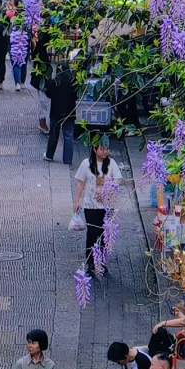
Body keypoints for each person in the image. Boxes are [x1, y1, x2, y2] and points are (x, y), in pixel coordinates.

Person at [73, 134, 116, 274]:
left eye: (107, 149)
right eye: (102, 149)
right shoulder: (86, 164)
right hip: (90, 206)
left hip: (107, 206)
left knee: (104, 235)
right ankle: (90, 263)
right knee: (92, 234)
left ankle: (102, 262)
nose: (105, 152)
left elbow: (119, 180)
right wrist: (77, 201)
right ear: (94, 149)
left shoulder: (111, 164)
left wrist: (109, 187)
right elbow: (80, 183)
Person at [43, 64, 79, 164]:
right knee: (68, 135)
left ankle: (49, 155)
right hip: (69, 112)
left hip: (56, 111)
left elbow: (48, 94)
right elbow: (77, 96)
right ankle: (67, 159)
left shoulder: (55, 81)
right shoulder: (73, 82)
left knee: (54, 134)